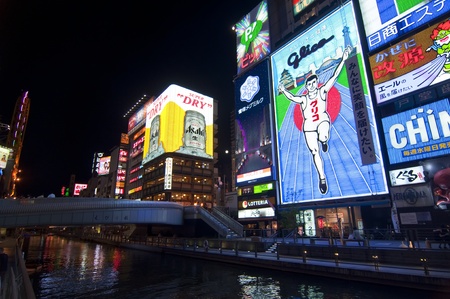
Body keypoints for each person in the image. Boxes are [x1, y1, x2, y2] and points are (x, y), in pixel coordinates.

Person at [278, 45, 352, 194]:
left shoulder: (322, 90)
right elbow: (293, 97)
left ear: (316, 82)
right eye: (309, 84)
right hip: (309, 126)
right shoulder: (304, 98)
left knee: (324, 135)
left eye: (313, 83)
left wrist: (343, 59)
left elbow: (334, 77)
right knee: (314, 151)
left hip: (322, 120)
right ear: (306, 86)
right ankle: (322, 177)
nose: (311, 86)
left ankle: (324, 140)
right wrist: (284, 90)